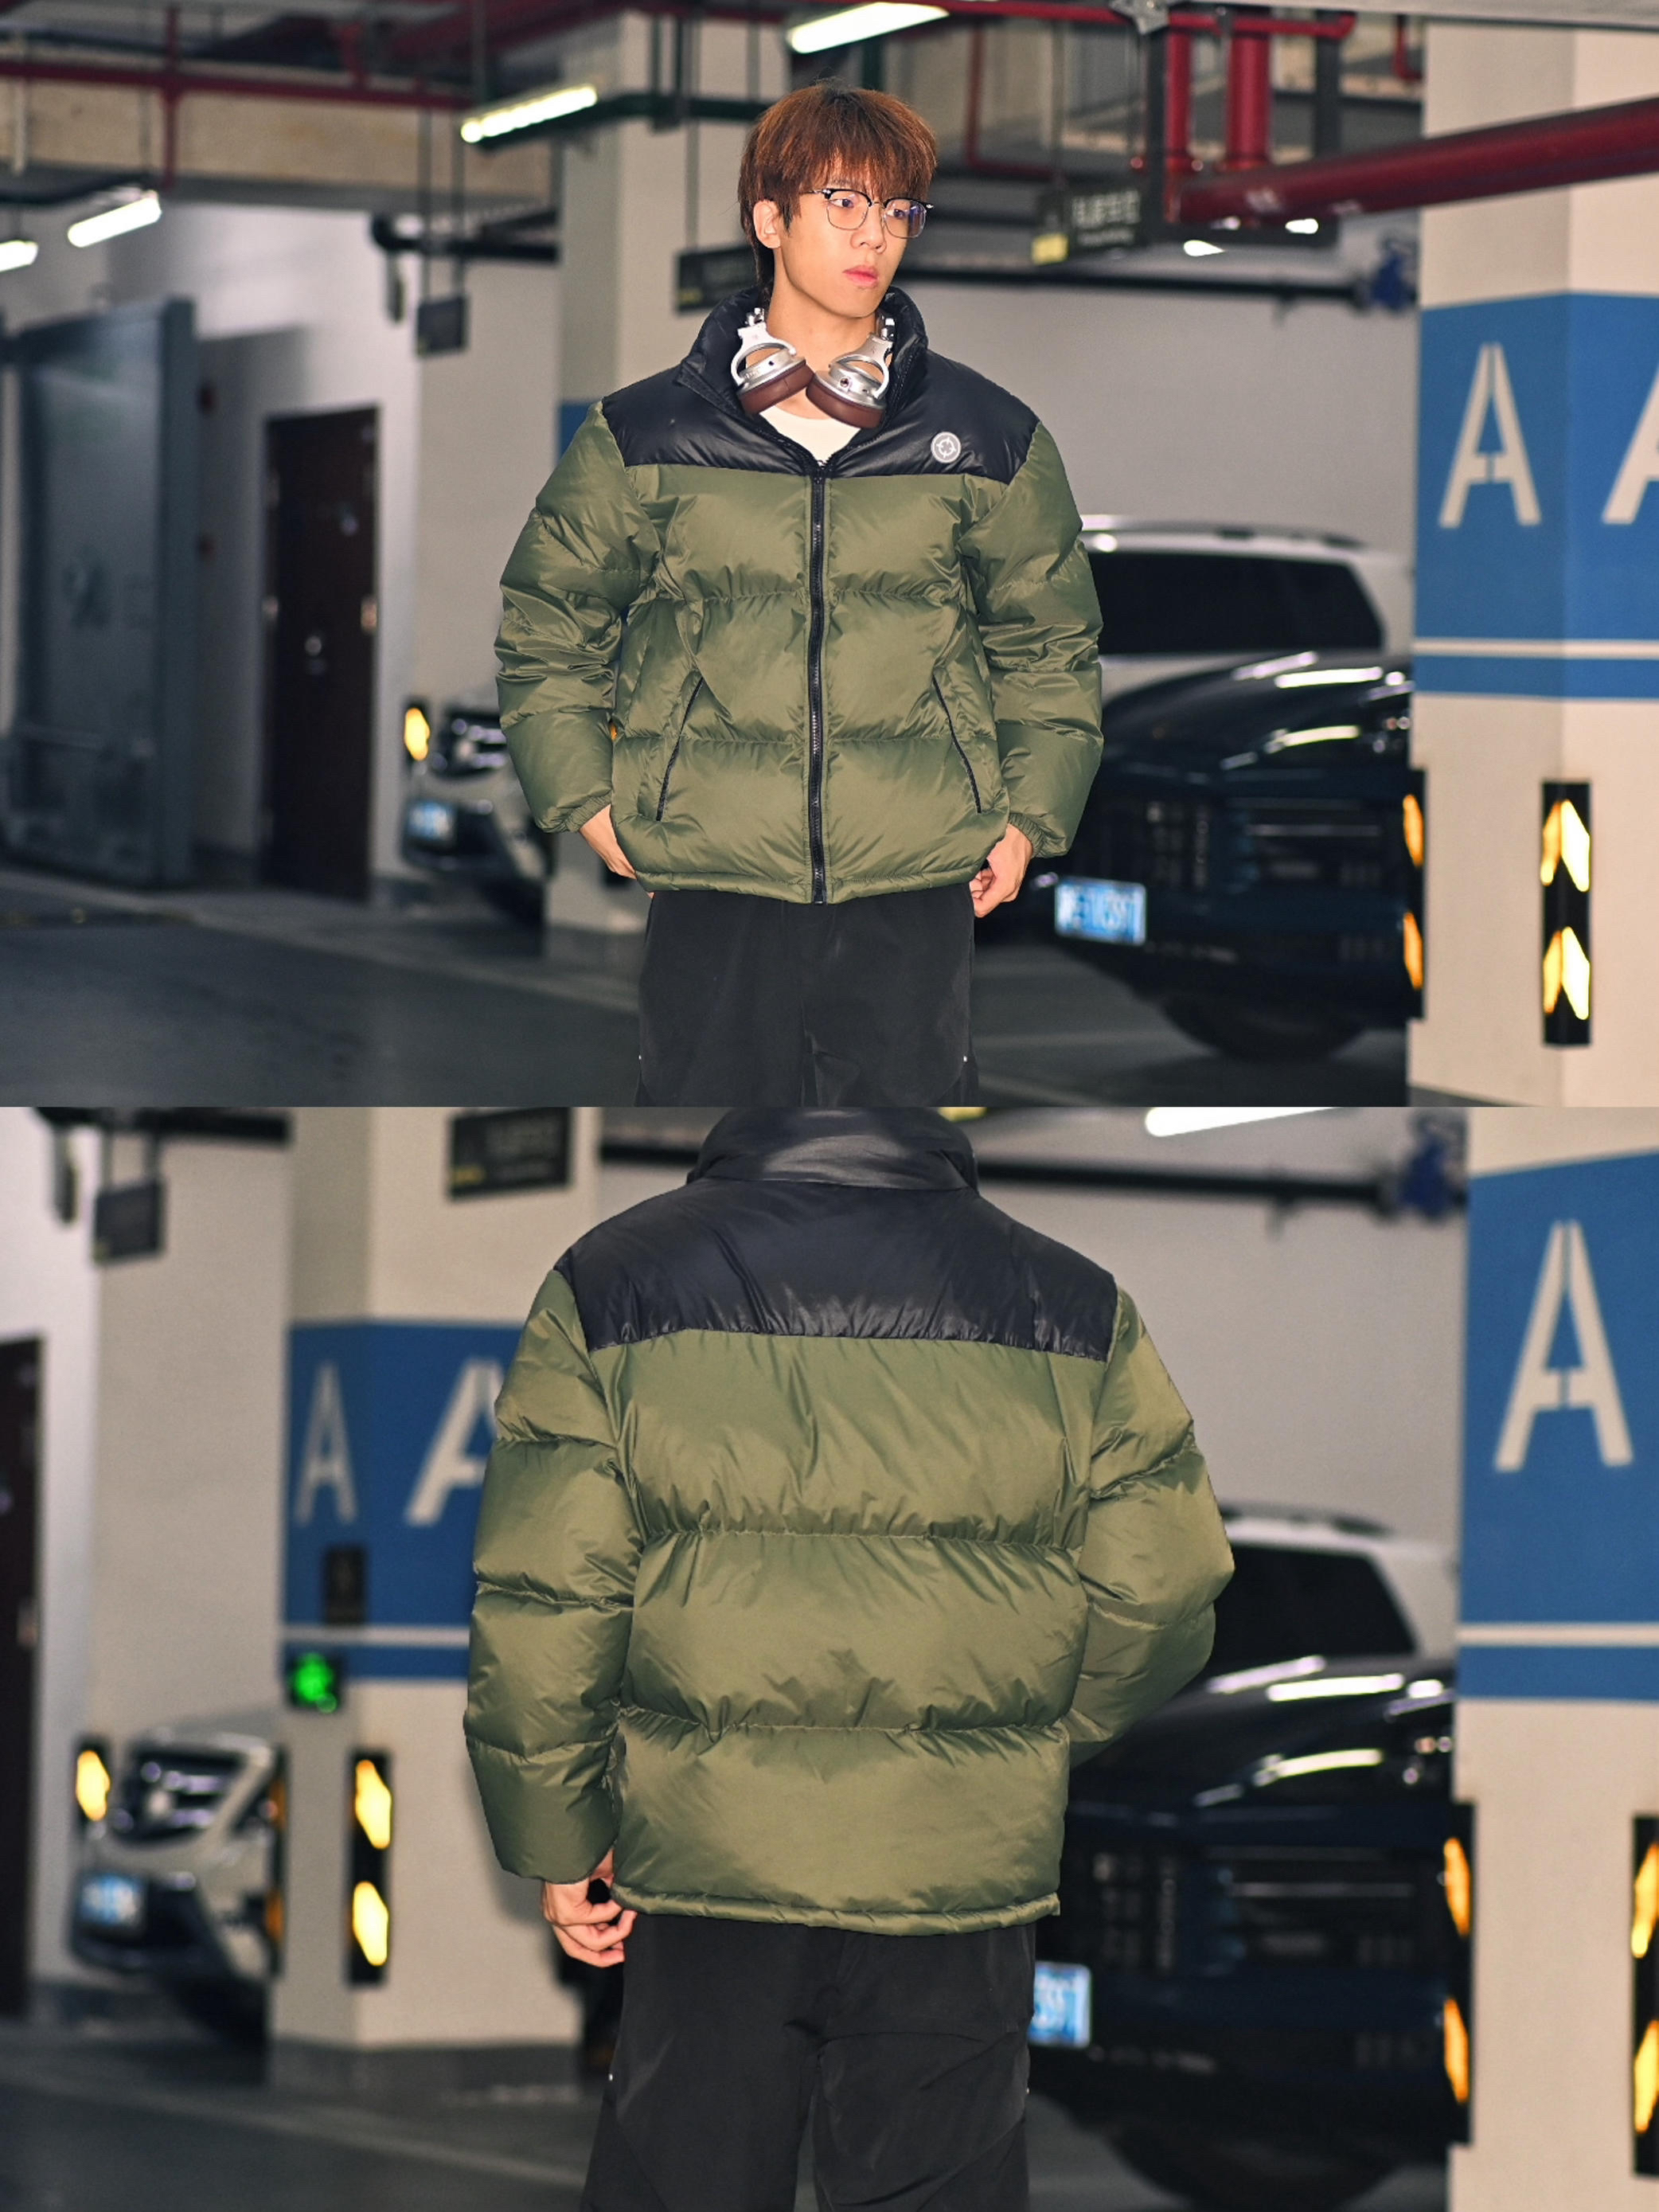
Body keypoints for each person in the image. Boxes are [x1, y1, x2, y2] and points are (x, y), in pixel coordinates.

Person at [464, 1108, 1234, 2210]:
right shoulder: (1073, 1302)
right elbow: (1165, 1586)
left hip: (709, 1855)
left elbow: (550, 1596)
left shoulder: (612, 1280)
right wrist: (1004, 1745)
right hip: (952, 1862)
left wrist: (562, 1831)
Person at [495, 85, 1104, 1107]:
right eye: (844, 203)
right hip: (712, 875)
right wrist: (585, 801)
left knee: (900, 1157)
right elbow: (547, 623)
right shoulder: (644, 433)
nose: (875, 236)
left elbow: (1047, 643)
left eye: (898, 210)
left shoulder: (988, 435)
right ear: (768, 220)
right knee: (713, 1144)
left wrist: (1030, 816)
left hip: (913, 883)